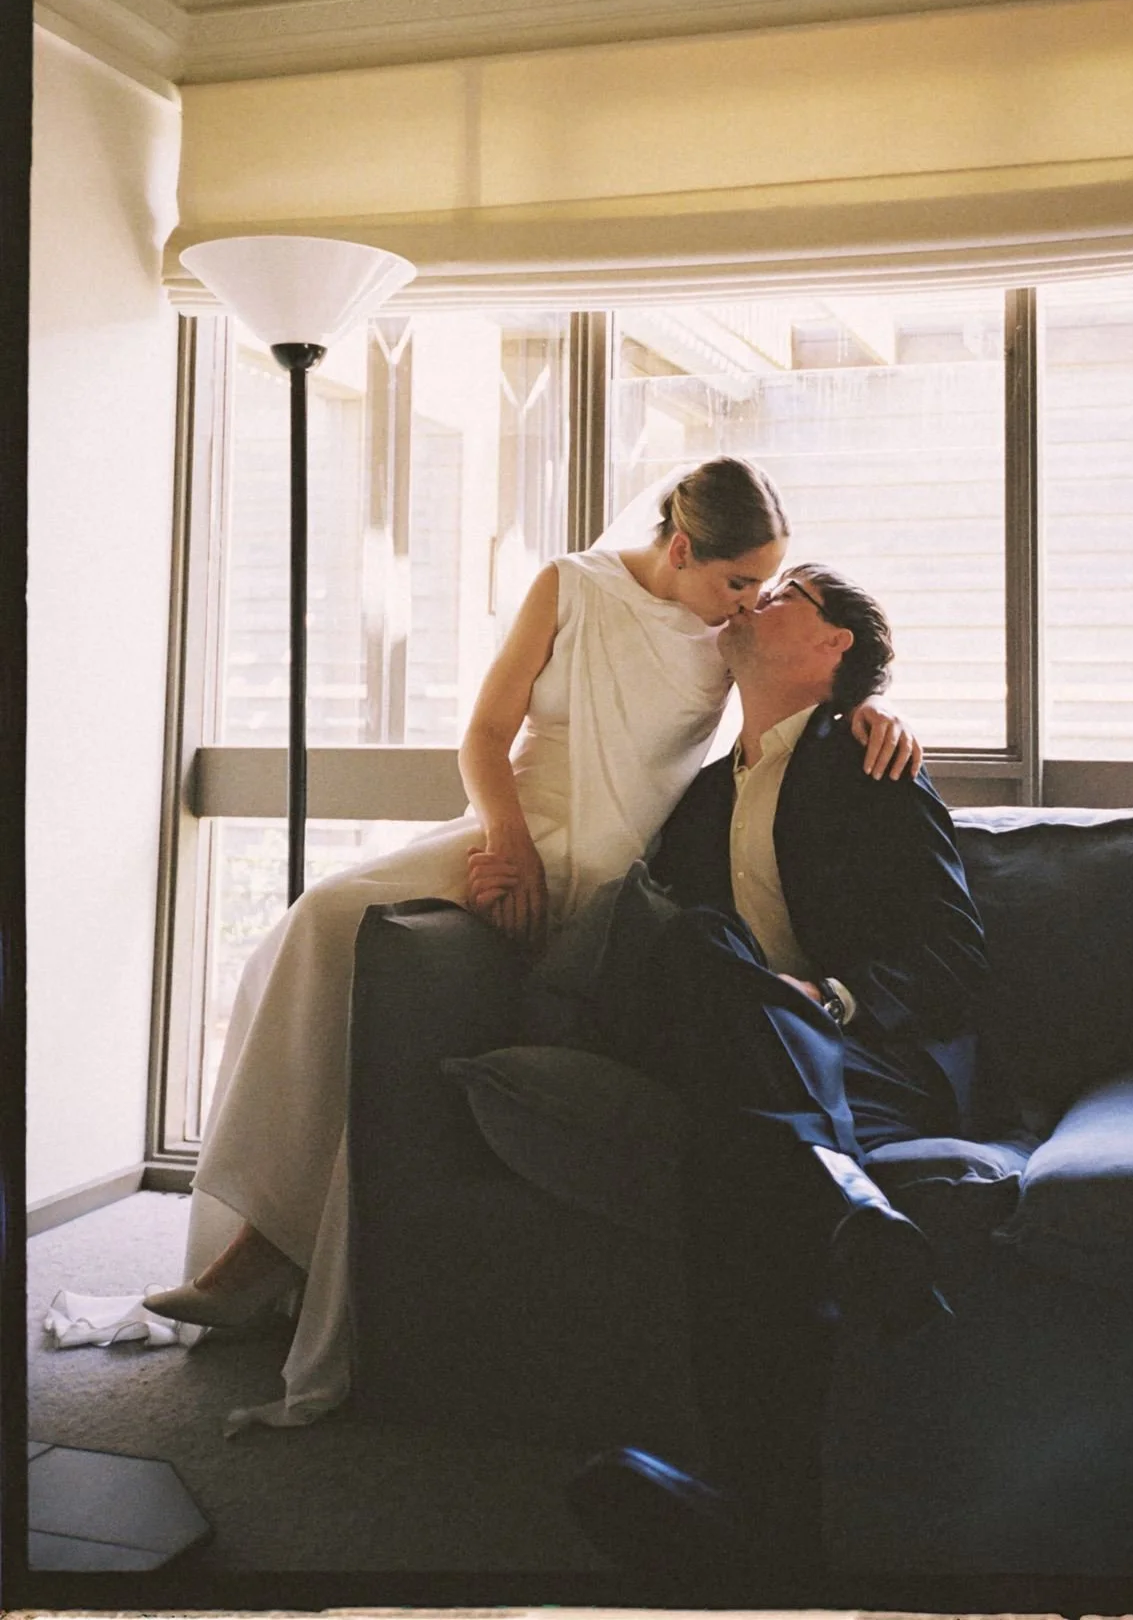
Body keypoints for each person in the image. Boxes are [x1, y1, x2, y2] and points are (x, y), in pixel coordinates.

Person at [145, 459, 920, 1431]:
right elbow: (485, 730)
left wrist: (869, 710)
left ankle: (279, 1259)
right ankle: (258, 1238)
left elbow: (808, 693)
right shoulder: (574, 586)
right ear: (680, 548)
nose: (751, 602)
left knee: (433, 1007)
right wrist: (506, 837)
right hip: (513, 833)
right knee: (320, 922)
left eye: (765, 587)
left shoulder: (729, 644)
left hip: (609, 888)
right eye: (737, 581)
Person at [557, 562, 989, 1589]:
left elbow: (953, 956)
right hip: (753, 1046)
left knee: (736, 1147)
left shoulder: (869, 762)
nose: (757, 598)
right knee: (703, 955)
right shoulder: (704, 794)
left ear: (833, 646)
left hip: (865, 1053)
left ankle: (760, 1519)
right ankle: (838, 1194)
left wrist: (831, 998)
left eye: (788, 591)